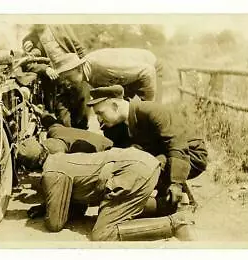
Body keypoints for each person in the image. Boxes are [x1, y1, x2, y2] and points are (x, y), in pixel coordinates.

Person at [16, 137, 195, 241]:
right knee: (122, 205)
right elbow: (79, 201)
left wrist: (50, 207)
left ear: (29, 168)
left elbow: (55, 224)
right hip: (139, 161)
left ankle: (175, 224)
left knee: (102, 234)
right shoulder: (59, 158)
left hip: (130, 172)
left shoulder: (52, 173)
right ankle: (171, 205)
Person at [87, 85, 208, 216]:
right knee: (136, 164)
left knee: (146, 168)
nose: (99, 119)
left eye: (100, 113)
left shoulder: (151, 111)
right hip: (164, 155)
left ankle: (179, 203)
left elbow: (177, 145)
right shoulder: (113, 127)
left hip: (191, 154)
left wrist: (176, 183)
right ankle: (176, 198)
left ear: (115, 106)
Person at [22, 24, 91, 129]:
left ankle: (82, 134)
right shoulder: (29, 39)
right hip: (55, 81)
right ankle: (70, 136)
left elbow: (79, 48)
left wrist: (85, 64)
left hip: (74, 72)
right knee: (63, 119)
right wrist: (45, 69)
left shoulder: (61, 27)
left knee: (82, 109)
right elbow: (28, 64)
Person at [55, 48, 163, 102]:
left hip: (150, 67)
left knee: (154, 115)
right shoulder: (86, 75)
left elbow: (147, 71)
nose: (67, 83)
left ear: (78, 68)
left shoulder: (102, 65)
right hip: (129, 78)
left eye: (68, 78)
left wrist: (149, 104)